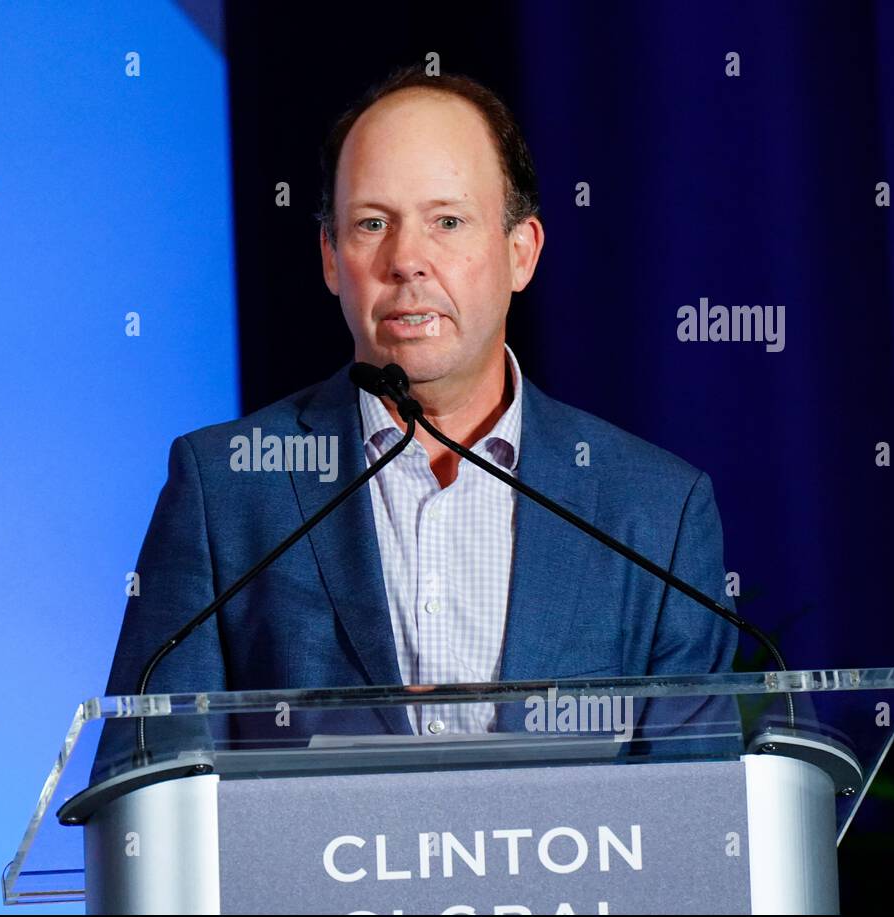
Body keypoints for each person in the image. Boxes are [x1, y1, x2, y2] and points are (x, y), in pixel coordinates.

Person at [89, 66, 741, 783]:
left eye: (448, 221)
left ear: (521, 251)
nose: (406, 261)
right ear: (332, 260)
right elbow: (146, 790)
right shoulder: (227, 489)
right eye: (372, 224)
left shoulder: (653, 509)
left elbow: (697, 816)